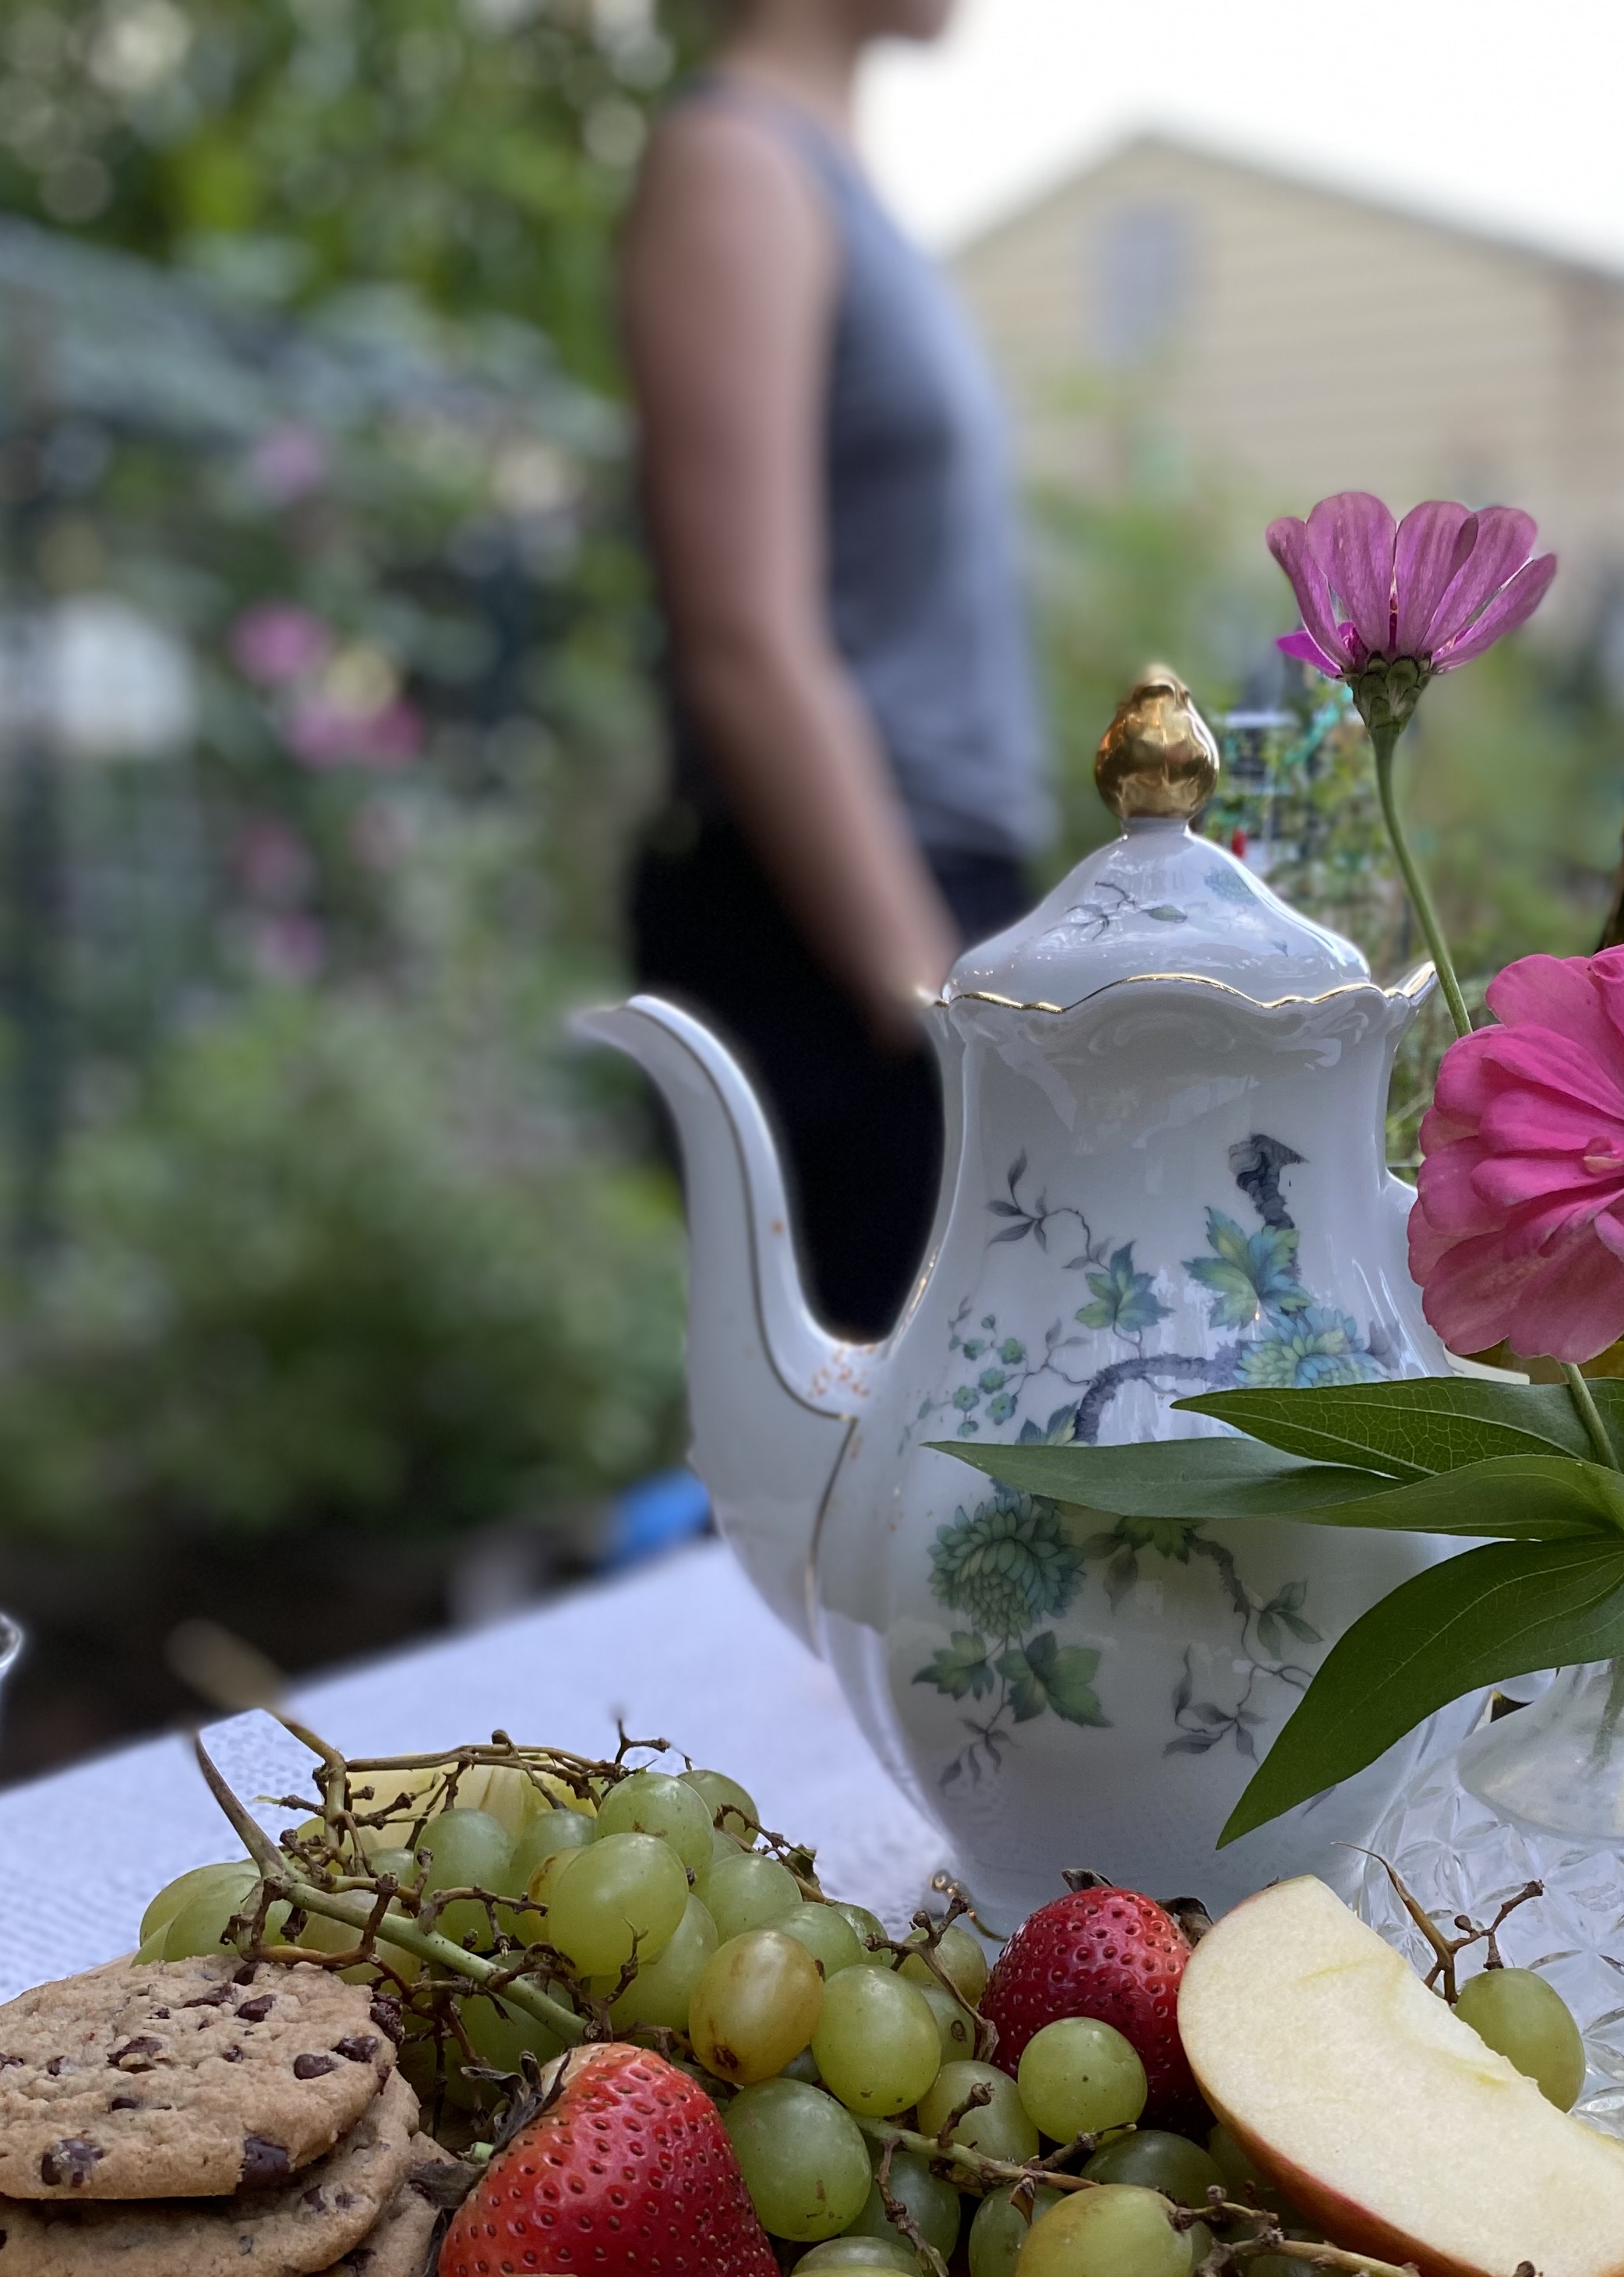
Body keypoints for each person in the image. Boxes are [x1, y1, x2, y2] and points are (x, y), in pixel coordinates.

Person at [621, 0, 1048, 1340]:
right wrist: (927, 1006)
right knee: (857, 1477)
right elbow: (744, 638)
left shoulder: (831, 178)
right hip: (835, 927)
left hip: (923, 906)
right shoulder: (736, 165)